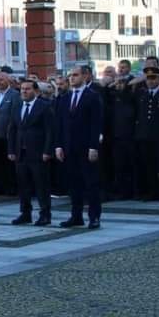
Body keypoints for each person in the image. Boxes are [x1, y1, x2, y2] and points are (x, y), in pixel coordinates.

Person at [55, 66, 103, 229]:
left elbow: (96, 124)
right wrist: (59, 145)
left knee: (91, 183)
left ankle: (94, 216)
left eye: (75, 75)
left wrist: (93, 147)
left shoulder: (93, 97)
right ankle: (76, 216)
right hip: (69, 147)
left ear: (84, 76)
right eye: (70, 76)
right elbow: (60, 124)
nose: (71, 78)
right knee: (73, 184)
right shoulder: (65, 98)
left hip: (86, 147)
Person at [7, 79, 54, 226]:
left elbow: (50, 131)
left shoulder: (44, 107)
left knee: (41, 185)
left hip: (38, 152)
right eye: (22, 89)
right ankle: (25, 213)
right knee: (23, 185)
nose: (24, 92)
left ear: (36, 91)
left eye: (27, 89)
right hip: (21, 152)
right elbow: (12, 129)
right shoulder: (17, 106)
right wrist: (11, 150)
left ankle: (45, 214)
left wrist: (47, 150)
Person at [134, 66, 159, 201]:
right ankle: (151, 191)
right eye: (148, 78)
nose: (150, 81)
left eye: (153, 78)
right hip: (144, 135)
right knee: (148, 165)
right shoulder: (141, 93)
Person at [0, 72, 22, 196]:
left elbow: (14, 116)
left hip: (8, 135)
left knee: (9, 164)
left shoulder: (15, 95)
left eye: (1, 80)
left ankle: (11, 187)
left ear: (8, 81)